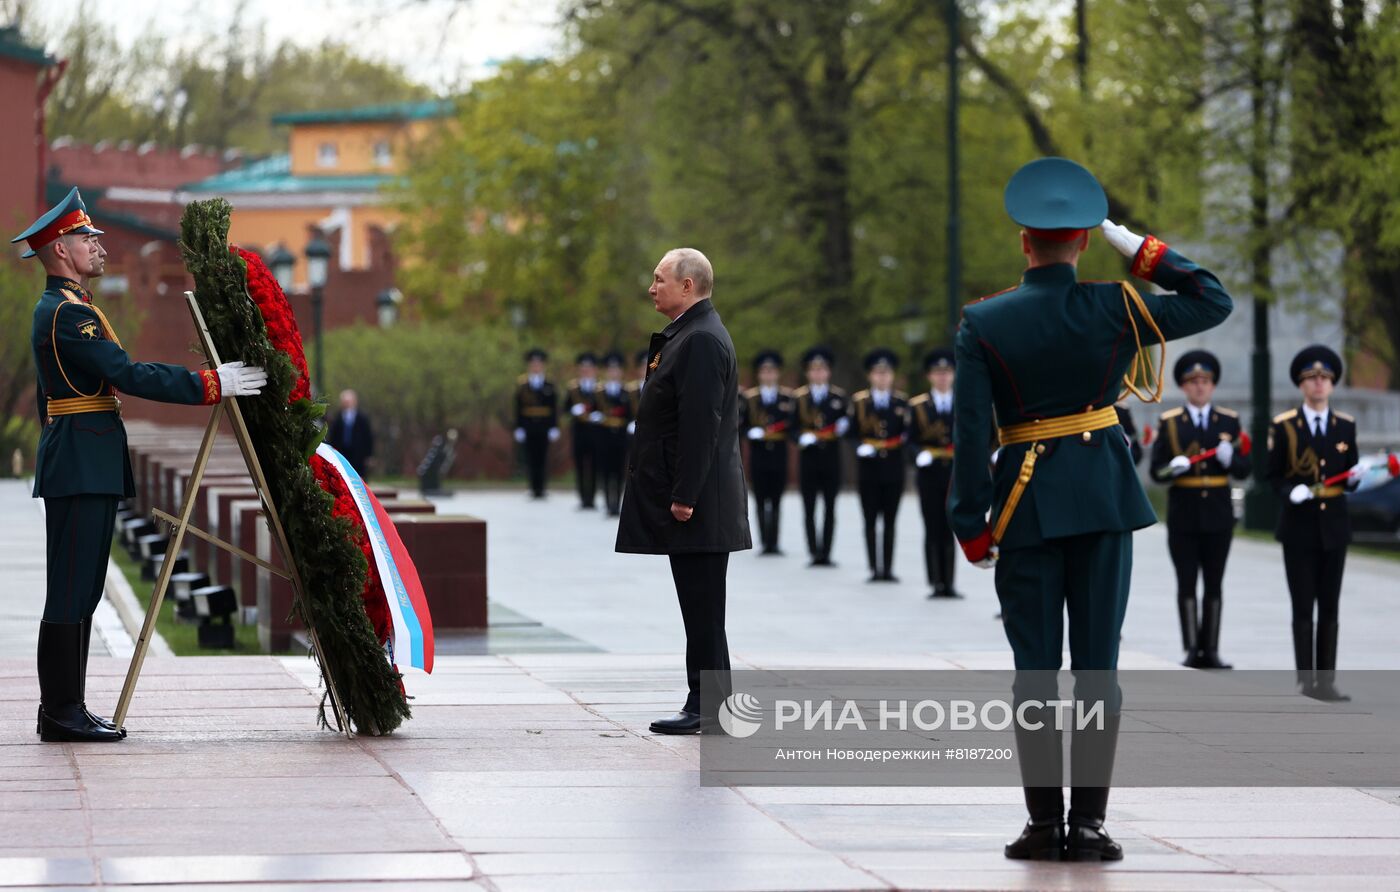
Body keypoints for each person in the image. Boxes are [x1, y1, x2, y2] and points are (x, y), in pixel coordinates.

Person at [948, 158, 1232, 862]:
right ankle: (1093, 826)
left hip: (1025, 508)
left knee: (1036, 672)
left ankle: (1045, 825)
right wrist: (1133, 243)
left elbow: (970, 434)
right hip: (1104, 503)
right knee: (1098, 669)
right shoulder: (1117, 306)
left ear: (1025, 242)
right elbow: (1210, 298)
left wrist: (971, 524)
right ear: (1081, 241)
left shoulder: (983, 321)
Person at [15, 187, 267, 743]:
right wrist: (210, 383)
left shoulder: (73, 309)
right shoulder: (65, 315)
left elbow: (56, 395)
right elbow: (126, 373)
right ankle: (60, 711)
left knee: (82, 588)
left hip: (84, 458)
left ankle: (67, 707)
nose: (99, 245)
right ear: (60, 250)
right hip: (81, 462)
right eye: (87, 238)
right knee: (71, 589)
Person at [616, 248, 751, 735]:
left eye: (659, 279)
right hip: (697, 499)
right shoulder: (689, 335)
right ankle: (708, 701)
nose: (652, 288)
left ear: (688, 286)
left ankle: (708, 705)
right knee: (700, 607)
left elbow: (701, 427)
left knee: (703, 606)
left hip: (701, 504)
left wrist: (685, 495)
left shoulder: (699, 341)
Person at [1267, 345, 1360, 702]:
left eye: (1324, 378)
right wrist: (1290, 491)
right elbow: (1273, 475)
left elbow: (1348, 474)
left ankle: (1327, 680)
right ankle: (1306, 681)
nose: (1319, 384)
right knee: (1303, 605)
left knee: (1331, 606)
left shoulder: (1345, 426)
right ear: (1302, 385)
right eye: (1312, 378)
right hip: (1299, 527)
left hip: (1335, 526)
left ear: (1333, 384)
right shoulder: (1285, 425)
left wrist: (1356, 477)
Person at [1149, 350, 1250, 668]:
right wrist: (1172, 467)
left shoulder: (1229, 422)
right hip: (1185, 512)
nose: (1200, 387)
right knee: (1187, 581)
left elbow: (1244, 470)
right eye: (1193, 382)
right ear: (1183, 387)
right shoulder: (1170, 422)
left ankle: (1212, 649)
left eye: (1205, 381)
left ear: (1213, 385)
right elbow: (1156, 471)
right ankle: (1192, 647)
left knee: (1215, 583)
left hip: (1218, 512)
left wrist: (1229, 459)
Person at [848, 348, 908, 583]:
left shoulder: (901, 403)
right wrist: (858, 448)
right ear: (871, 376)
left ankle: (888, 567)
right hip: (869, 471)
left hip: (893, 469)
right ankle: (874, 567)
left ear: (891, 376)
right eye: (878, 373)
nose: (882, 377)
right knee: (870, 519)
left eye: (886, 373)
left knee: (891, 520)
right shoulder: (860, 402)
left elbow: (908, 434)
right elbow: (851, 433)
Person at [909, 348, 961, 599]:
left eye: (947, 373)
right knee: (932, 526)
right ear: (930, 376)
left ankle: (949, 582)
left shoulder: (962, 402)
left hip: (953, 472)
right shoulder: (918, 406)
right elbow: (908, 439)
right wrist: (918, 453)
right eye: (938, 373)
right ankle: (935, 582)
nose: (943, 378)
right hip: (929, 474)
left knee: (950, 527)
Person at [792, 347, 848, 566]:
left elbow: (847, 424)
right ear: (808, 373)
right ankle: (813, 551)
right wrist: (800, 438)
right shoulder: (799, 398)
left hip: (831, 459)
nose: (818, 374)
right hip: (809, 459)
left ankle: (826, 552)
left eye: (822, 369)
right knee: (809, 507)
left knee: (830, 507)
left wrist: (844, 427)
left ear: (828, 372)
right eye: (814, 370)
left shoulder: (838, 397)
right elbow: (792, 428)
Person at [740, 350, 795, 555]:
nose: (768, 375)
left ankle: (775, 541)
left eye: (772, 371)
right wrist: (750, 432)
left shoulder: (787, 398)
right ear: (759, 374)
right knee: (761, 499)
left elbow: (792, 425)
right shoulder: (750, 398)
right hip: (759, 453)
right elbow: (741, 425)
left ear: (777, 373)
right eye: (764, 371)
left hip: (778, 453)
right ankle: (764, 541)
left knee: (777, 499)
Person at [513, 348, 559, 499]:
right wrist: (518, 427)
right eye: (533, 363)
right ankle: (533, 487)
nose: (536, 366)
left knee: (542, 456)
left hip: (544, 425)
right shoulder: (522, 385)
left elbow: (553, 408)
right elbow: (518, 407)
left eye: (538, 363)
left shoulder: (549, 384)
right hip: (528, 425)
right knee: (530, 457)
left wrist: (554, 426)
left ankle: (542, 487)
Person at [595, 351, 633, 516]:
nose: (613, 372)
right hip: (603, 434)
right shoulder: (599, 392)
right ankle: (607, 502)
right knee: (605, 470)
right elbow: (593, 409)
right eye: (610, 369)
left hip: (620, 434)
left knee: (618, 471)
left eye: (616, 369)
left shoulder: (627, 392)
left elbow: (631, 412)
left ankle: (616, 504)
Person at [565, 353, 602, 509]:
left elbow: (606, 407)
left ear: (594, 370)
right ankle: (582, 498)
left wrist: (599, 414)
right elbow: (565, 407)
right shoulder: (574, 388)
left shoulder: (600, 388)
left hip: (595, 432)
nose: (586, 370)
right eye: (583, 368)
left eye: (589, 368)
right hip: (579, 431)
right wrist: (573, 409)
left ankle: (592, 498)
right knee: (580, 465)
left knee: (594, 465)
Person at [327, 389, 374, 479]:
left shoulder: (362, 418)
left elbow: (368, 437)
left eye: (349, 401)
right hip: (342, 453)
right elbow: (333, 437)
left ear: (354, 402)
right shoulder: (337, 418)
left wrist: (369, 455)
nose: (347, 404)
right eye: (345, 402)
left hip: (358, 455)